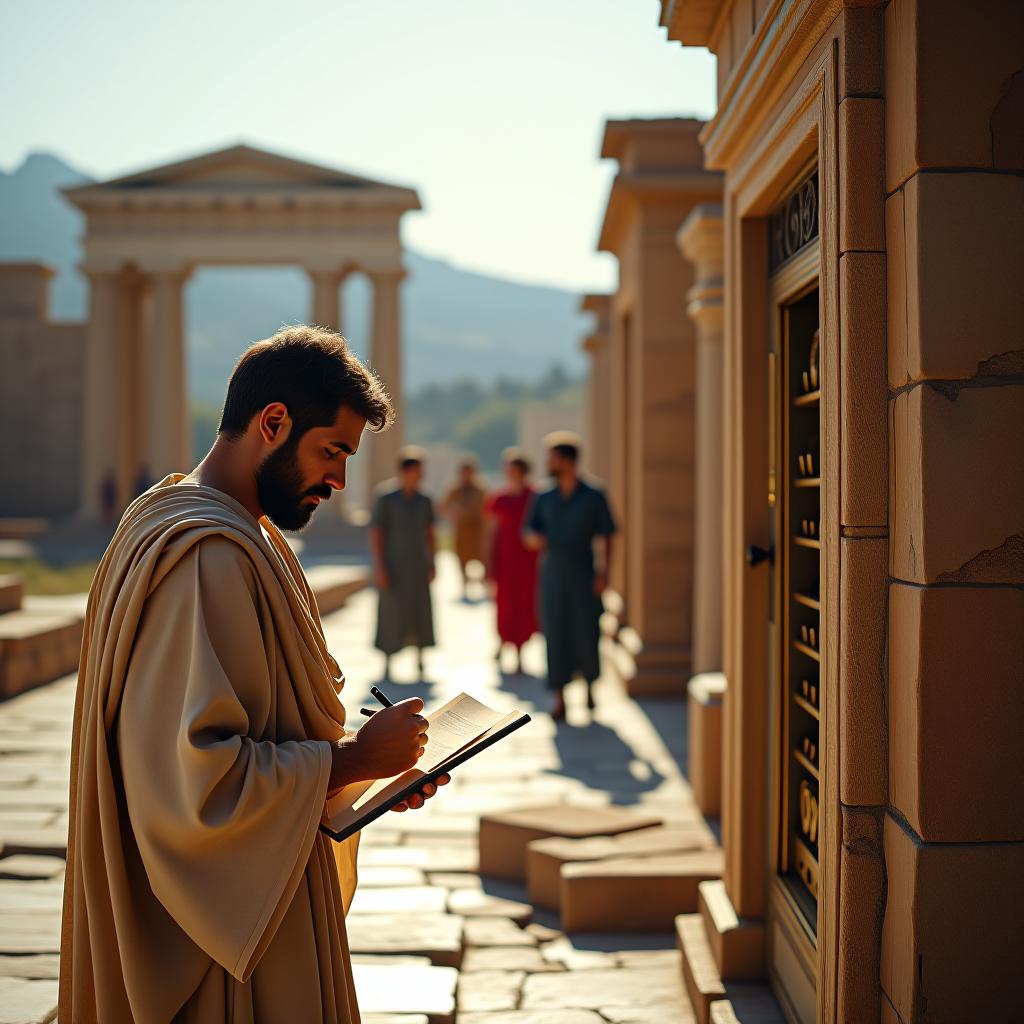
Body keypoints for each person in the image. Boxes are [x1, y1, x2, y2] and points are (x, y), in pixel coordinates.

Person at [60, 326, 449, 1024]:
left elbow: (259, 730)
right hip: (220, 954)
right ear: (273, 422)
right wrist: (354, 756)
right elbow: (195, 784)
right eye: (332, 452)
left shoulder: (204, 526)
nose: (338, 479)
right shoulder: (210, 556)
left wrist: (367, 776)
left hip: (256, 896)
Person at [525, 432, 616, 721]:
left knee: (586, 631)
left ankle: (590, 687)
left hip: (583, 571)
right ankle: (559, 698)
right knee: (555, 632)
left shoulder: (593, 494)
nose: (547, 463)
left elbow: (608, 535)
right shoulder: (543, 495)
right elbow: (528, 531)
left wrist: (605, 573)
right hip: (553, 573)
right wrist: (536, 539)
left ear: (565, 460)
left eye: (552, 457)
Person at [371, 446, 436, 681]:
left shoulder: (425, 499)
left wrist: (432, 561)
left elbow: (430, 532)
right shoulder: (386, 498)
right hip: (393, 564)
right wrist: (379, 566)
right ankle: (387, 661)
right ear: (404, 471)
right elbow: (377, 533)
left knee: (419, 609)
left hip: (417, 564)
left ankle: (420, 658)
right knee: (391, 611)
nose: (419, 475)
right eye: (415, 470)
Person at [484, 447, 539, 674]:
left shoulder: (535, 497)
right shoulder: (499, 498)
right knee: (504, 606)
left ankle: (520, 653)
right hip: (505, 561)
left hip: (527, 562)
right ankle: (502, 643)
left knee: (524, 608)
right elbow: (490, 532)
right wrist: (488, 563)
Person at [441, 457, 487, 599]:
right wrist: (453, 513)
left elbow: (486, 509)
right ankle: (465, 586)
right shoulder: (454, 489)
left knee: (482, 560)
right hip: (461, 532)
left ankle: (484, 586)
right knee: (461, 561)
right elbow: (443, 508)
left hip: (477, 532)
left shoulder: (480, 489)